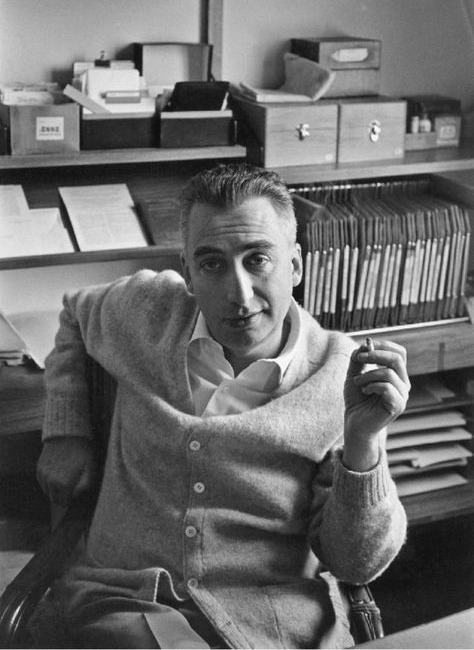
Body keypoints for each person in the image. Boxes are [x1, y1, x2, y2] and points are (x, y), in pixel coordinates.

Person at [35, 163, 409, 649]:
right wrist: (66, 431)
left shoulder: (341, 375)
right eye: (212, 264)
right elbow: (73, 310)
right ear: (188, 272)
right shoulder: (146, 310)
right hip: (124, 602)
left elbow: (356, 563)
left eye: (258, 260)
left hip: (271, 622)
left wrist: (364, 442)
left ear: (295, 265)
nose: (239, 293)